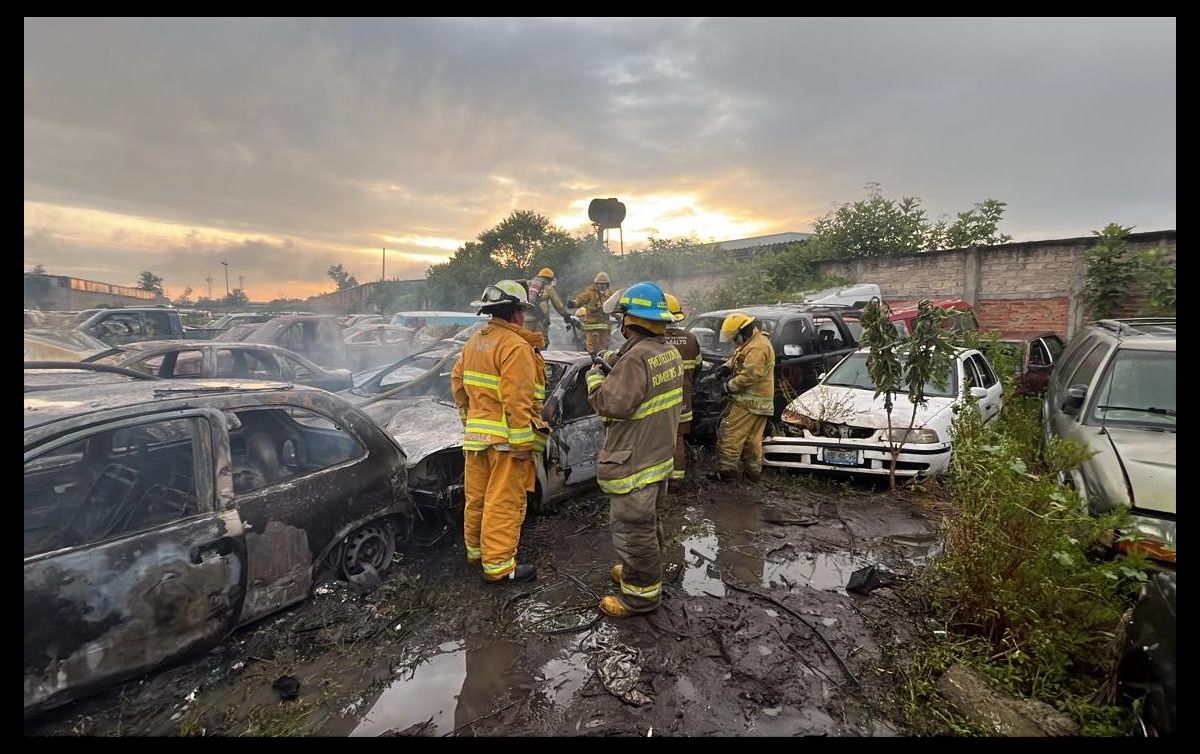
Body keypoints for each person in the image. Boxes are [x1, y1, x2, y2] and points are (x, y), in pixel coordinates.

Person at [586, 281, 683, 618]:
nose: (620, 323)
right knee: (647, 524)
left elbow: (611, 405)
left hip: (635, 463)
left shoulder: (637, 358)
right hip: (656, 457)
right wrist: (618, 362)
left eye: (622, 316)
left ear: (631, 319)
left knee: (633, 531)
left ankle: (640, 597)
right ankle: (638, 574)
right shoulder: (665, 351)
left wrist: (595, 380)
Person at [450, 280, 549, 583]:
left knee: (477, 498)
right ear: (517, 313)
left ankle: (476, 552)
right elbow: (517, 399)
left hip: (477, 439)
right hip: (507, 440)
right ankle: (499, 567)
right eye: (522, 311)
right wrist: (522, 443)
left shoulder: (474, 341)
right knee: (503, 502)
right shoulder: (515, 346)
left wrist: (472, 422)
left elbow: (457, 384)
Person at [710, 312, 775, 482]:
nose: (733, 342)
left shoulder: (757, 348)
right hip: (759, 403)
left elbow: (750, 375)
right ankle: (752, 474)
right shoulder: (753, 342)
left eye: (734, 338)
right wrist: (725, 367)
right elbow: (739, 356)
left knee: (731, 434)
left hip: (748, 402)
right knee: (752, 441)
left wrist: (727, 387)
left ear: (743, 332)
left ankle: (726, 473)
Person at [662, 293, 701, 482]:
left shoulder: (655, 341)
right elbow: (698, 367)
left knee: (659, 440)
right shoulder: (691, 339)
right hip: (684, 399)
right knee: (677, 439)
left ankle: (671, 481)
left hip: (659, 401)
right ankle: (677, 479)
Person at [523, 267, 571, 347]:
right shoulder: (548, 287)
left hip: (526, 318)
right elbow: (557, 303)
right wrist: (565, 314)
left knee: (526, 341)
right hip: (540, 319)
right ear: (549, 279)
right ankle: (541, 358)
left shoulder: (528, 284)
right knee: (541, 342)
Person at [568, 272, 613, 353]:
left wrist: (619, 315)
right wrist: (574, 303)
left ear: (607, 284)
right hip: (591, 327)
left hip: (605, 328)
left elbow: (613, 308)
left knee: (604, 350)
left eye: (604, 284)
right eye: (600, 284)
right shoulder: (590, 293)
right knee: (592, 350)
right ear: (596, 284)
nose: (602, 285)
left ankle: (602, 363)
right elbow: (581, 299)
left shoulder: (610, 295)